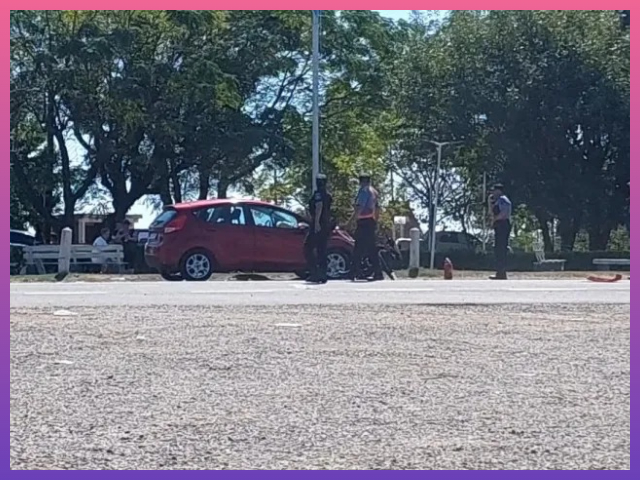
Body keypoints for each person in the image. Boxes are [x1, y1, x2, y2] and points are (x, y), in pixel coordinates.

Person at [349, 173, 383, 281]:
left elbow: (359, 207)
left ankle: (354, 271)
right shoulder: (374, 192)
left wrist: (351, 221)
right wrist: (376, 220)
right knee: (371, 248)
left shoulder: (364, 191)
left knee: (358, 247)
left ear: (361, 182)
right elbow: (377, 208)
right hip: (371, 221)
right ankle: (377, 272)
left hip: (363, 221)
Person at [304, 173, 333, 283]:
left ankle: (315, 272)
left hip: (318, 224)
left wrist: (316, 223)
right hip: (326, 224)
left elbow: (319, 207)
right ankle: (322, 273)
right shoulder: (328, 195)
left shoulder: (318, 194)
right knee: (322, 249)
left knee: (307, 247)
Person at [489, 183, 512, 280]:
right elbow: (492, 212)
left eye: (494, 190)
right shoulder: (497, 200)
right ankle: (500, 272)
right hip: (499, 224)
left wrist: (495, 219)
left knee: (501, 248)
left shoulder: (503, 199)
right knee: (498, 249)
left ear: (499, 191)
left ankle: (502, 272)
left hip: (502, 224)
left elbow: (504, 212)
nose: (493, 192)